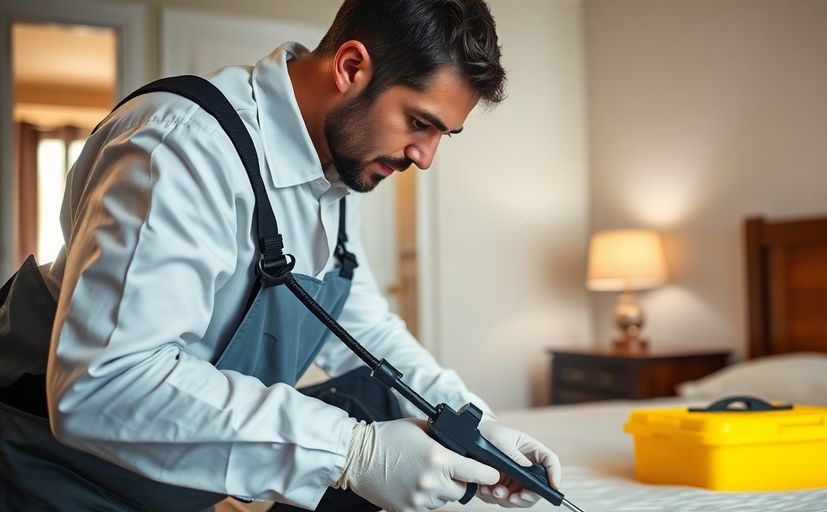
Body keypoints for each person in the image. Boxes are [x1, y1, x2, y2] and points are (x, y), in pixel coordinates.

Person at [0, 0, 562, 510]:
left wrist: (475, 424)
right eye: (419, 123)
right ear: (350, 68)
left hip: (163, 490)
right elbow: (108, 384)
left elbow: (366, 335)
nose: (425, 156)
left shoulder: (340, 175)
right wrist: (353, 452)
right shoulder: (181, 145)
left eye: (444, 134)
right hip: (48, 481)